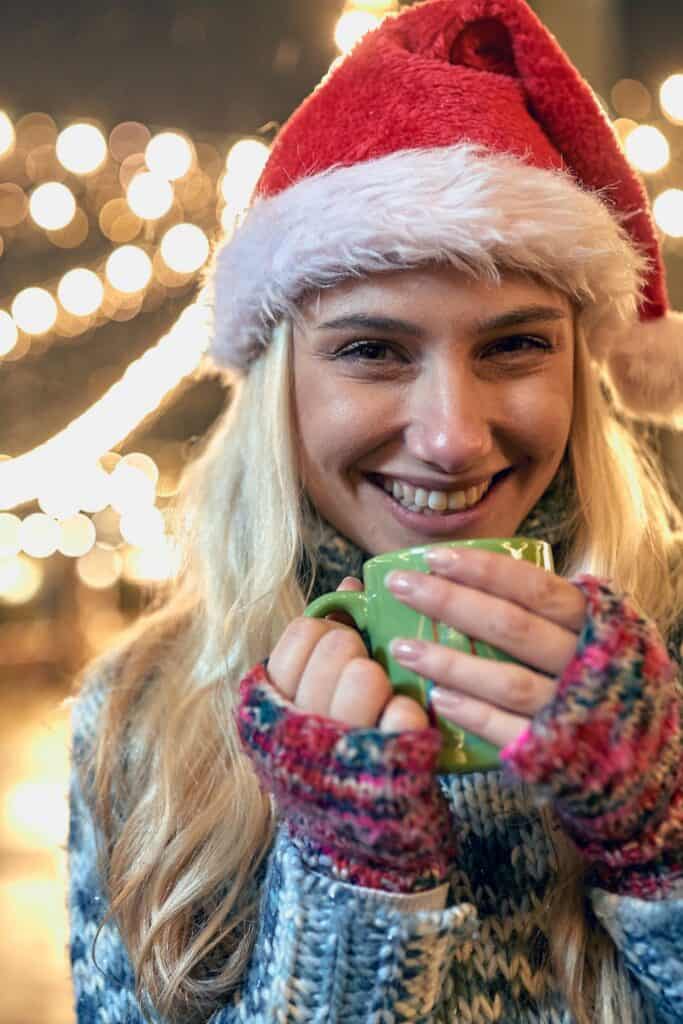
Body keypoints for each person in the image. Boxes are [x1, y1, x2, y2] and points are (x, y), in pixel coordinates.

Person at [68, 1, 683, 1021]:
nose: (450, 435)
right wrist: (353, 890)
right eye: (370, 350)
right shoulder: (142, 714)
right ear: (281, 387)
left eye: (514, 346)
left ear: (582, 366)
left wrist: (658, 838)